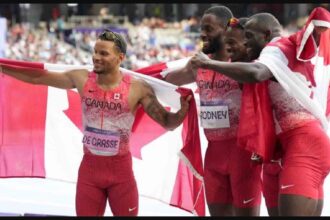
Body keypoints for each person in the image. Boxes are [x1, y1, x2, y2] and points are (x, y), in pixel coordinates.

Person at [0, 29, 192, 216]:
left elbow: (168, 123)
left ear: (120, 58)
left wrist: (181, 113)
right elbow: (38, 77)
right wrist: (3, 68)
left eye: (103, 53)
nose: (96, 57)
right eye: (95, 51)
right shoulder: (82, 78)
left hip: (121, 174)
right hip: (89, 173)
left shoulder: (137, 88)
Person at [186, 8, 330, 216]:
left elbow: (256, 73)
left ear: (267, 35)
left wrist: (209, 63)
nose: (245, 43)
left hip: (303, 144)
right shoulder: (265, 57)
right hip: (279, 151)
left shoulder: (277, 47)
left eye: (249, 37)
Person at [165, 6, 262, 216]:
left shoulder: (239, 62)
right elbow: (166, 80)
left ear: (225, 30)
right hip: (213, 154)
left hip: (242, 154)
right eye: (202, 28)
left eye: (208, 28)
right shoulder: (198, 66)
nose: (202, 34)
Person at [226, 16, 282, 217]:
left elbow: (256, 74)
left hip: (289, 152)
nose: (230, 49)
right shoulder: (246, 65)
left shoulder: (271, 62)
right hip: (267, 155)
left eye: (237, 42)